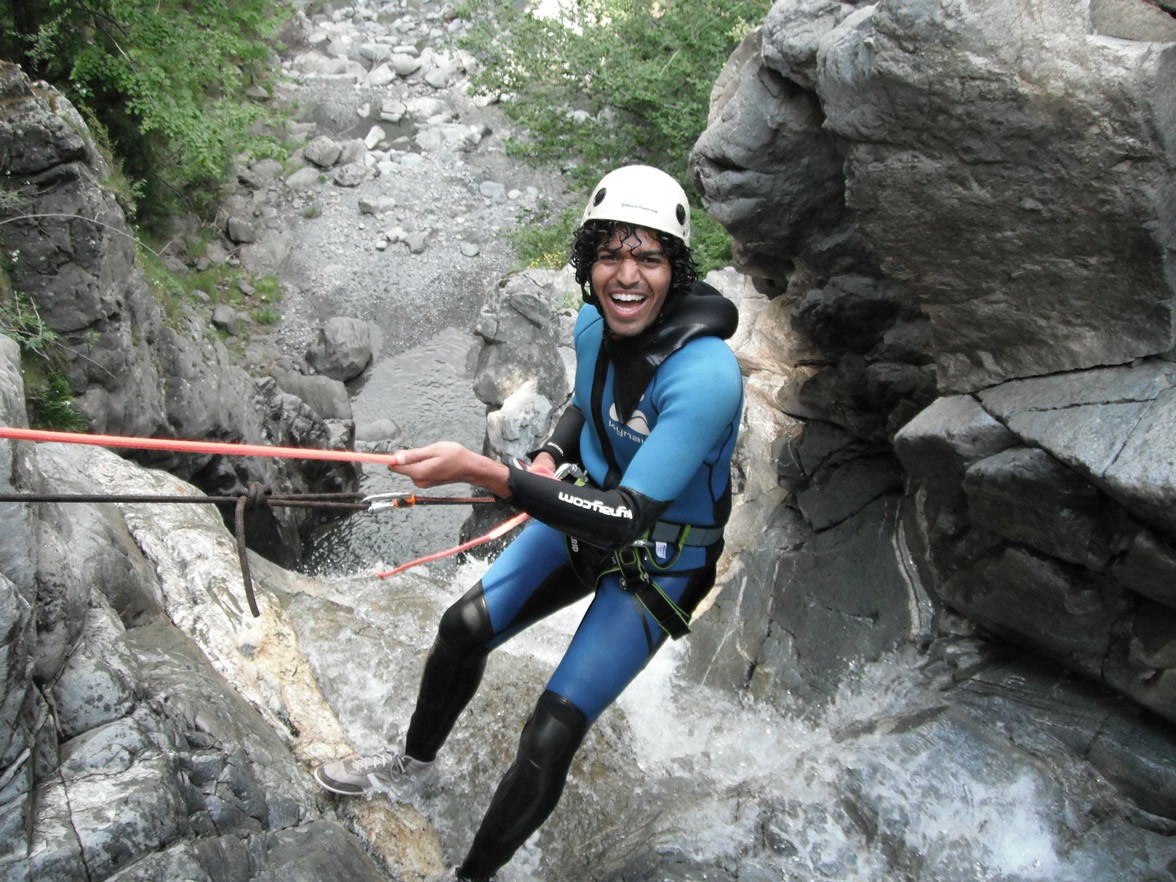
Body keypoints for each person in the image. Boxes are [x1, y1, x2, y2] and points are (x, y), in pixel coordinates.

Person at [312, 164, 744, 881]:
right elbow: (586, 405)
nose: (626, 275)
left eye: (648, 257)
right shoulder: (590, 324)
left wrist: (490, 473)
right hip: (589, 510)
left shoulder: (704, 377)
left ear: (675, 269)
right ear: (588, 263)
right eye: (610, 254)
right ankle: (411, 768)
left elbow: (626, 520)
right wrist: (548, 451)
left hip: (659, 559)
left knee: (549, 733)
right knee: (462, 628)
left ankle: (470, 877)